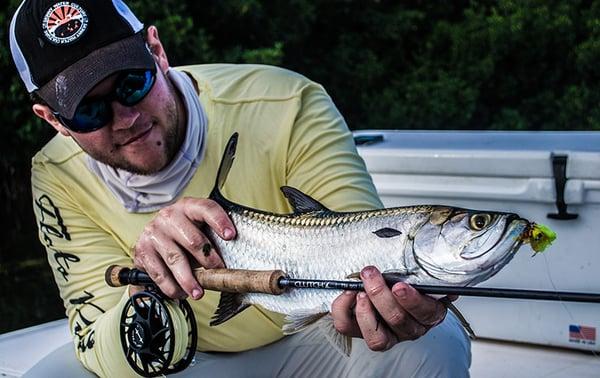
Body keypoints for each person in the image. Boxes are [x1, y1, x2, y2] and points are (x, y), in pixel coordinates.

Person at [10, 0, 471, 376]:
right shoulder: (56, 173)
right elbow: (96, 339)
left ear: (157, 51)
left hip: (312, 341)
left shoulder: (288, 102)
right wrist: (150, 289)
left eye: (133, 83)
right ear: (53, 121)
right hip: (187, 360)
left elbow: (359, 245)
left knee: (437, 341)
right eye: (89, 111)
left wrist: (376, 304)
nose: (125, 118)